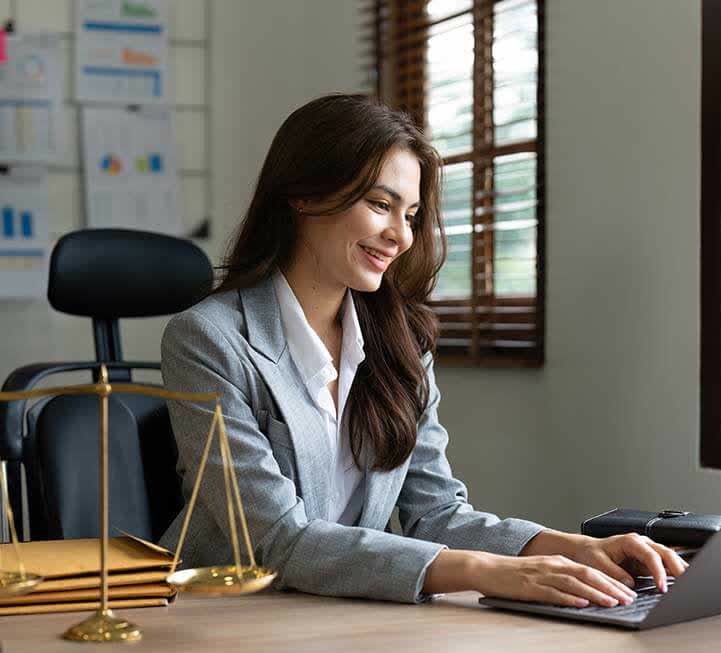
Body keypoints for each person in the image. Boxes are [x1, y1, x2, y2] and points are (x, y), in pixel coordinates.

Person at [159, 93, 687, 605]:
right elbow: (273, 539)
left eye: (409, 214)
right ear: (305, 194)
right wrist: (492, 571)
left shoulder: (400, 344)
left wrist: (578, 549)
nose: (401, 236)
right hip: (227, 619)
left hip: (340, 615)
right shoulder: (208, 339)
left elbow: (434, 513)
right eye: (381, 204)